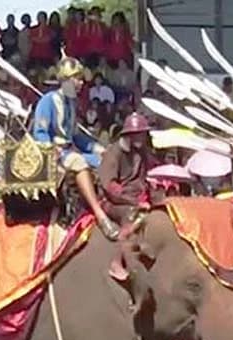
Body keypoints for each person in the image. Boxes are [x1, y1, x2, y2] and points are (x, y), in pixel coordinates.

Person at [30, 56, 116, 238]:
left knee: (107, 159)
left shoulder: (71, 104)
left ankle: (111, 203)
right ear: (66, 80)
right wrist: (53, 148)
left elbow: (76, 135)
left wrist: (99, 149)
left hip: (69, 150)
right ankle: (100, 215)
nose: (81, 83)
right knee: (77, 161)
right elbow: (40, 133)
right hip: (55, 154)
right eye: (77, 79)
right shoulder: (48, 101)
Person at [97, 112, 154, 226]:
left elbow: (150, 174)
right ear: (128, 135)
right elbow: (110, 187)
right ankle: (125, 242)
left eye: (142, 134)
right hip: (115, 202)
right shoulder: (113, 153)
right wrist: (135, 202)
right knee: (130, 216)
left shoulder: (144, 152)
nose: (141, 138)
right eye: (137, 134)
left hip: (139, 196)